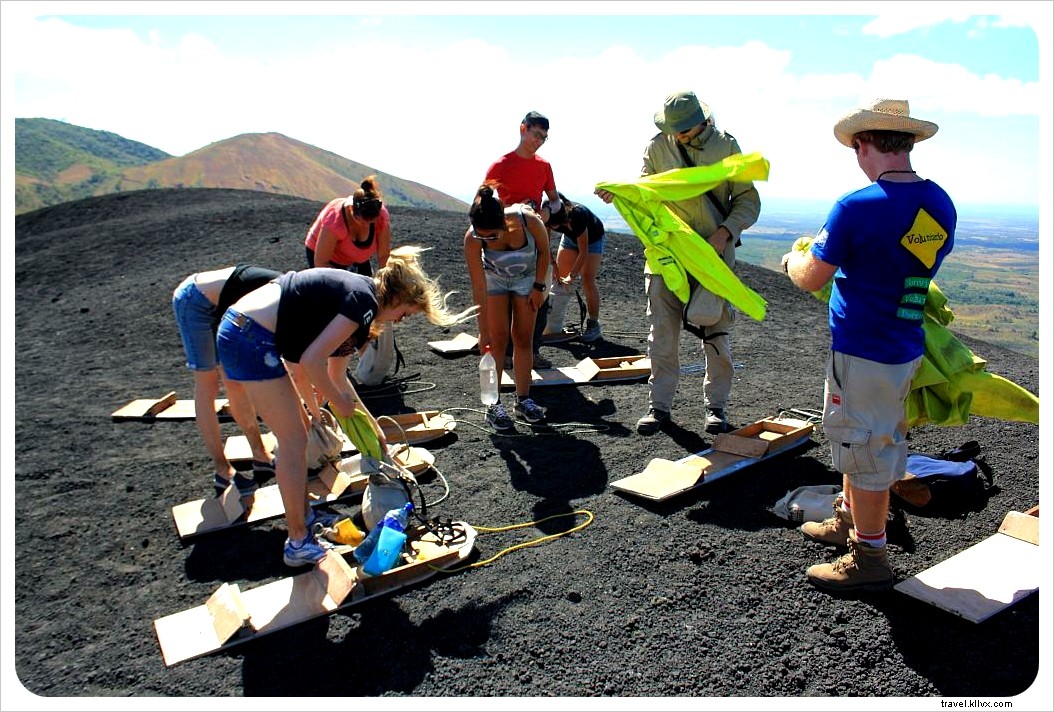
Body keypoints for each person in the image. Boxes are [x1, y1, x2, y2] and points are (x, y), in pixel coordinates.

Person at [780, 98, 955, 593]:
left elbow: (812, 275)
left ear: (862, 145)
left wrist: (793, 259)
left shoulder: (856, 206)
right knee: (864, 438)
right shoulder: (940, 202)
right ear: (908, 143)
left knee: (868, 447)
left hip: (863, 350)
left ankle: (870, 556)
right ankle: (847, 520)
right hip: (902, 344)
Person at [216, 248, 475, 567]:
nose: (402, 321)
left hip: (245, 331)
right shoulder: (363, 300)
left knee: (294, 435)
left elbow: (338, 375)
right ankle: (298, 542)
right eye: (406, 313)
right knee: (294, 440)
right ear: (398, 298)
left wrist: (371, 422)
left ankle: (305, 518)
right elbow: (312, 362)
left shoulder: (359, 301)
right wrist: (338, 403)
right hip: (249, 336)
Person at [596, 90, 760, 436]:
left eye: (684, 131)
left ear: (701, 121)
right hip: (666, 258)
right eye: (674, 130)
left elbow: (748, 201)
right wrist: (619, 193)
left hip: (712, 259)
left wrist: (725, 232)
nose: (678, 136)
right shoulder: (657, 147)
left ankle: (716, 408)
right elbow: (644, 192)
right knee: (662, 337)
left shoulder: (726, 147)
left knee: (715, 334)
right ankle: (659, 408)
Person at [172, 265, 280, 496]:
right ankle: (222, 470)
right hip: (195, 302)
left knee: (235, 381)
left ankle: (260, 455)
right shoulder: (280, 298)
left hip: (228, 309)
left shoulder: (286, 296)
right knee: (207, 383)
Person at [463, 183, 550, 431]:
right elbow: (479, 286)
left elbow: (544, 253)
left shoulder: (528, 221)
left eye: (490, 236)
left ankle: (524, 400)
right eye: (481, 235)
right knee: (496, 342)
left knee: (523, 339)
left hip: (527, 279)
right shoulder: (473, 238)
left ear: (504, 222)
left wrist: (538, 287)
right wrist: (482, 331)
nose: (485, 240)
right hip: (494, 281)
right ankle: (494, 405)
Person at [485, 111, 563, 368]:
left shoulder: (544, 166)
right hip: (504, 244)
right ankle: (506, 353)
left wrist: (545, 213)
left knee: (539, 297)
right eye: (536, 134)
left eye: (544, 137)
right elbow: (481, 202)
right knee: (506, 298)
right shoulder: (501, 164)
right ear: (523, 129)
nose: (538, 141)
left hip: (536, 240)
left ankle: (532, 352)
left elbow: (555, 200)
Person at [542, 192, 606, 342]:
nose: (554, 226)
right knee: (559, 282)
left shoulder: (578, 214)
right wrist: (554, 267)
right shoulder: (546, 213)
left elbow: (583, 251)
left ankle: (593, 325)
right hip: (569, 240)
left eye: (557, 223)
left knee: (587, 281)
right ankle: (553, 327)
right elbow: (545, 245)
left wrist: (572, 275)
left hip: (593, 240)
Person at [304, 175, 392, 276]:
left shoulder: (381, 216)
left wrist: (385, 283)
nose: (366, 225)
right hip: (326, 259)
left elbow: (383, 256)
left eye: (371, 221)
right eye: (362, 221)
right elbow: (320, 263)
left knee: (366, 287)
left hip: (357, 257)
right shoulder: (335, 221)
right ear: (351, 210)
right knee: (336, 289)